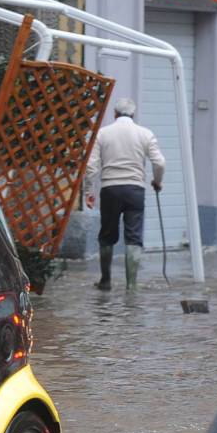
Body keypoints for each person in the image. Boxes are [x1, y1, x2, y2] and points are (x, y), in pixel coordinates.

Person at [84, 97, 165, 290]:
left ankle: (106, 281)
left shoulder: (103, 134)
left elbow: (91, 166)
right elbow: (159, 162)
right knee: (134, 237)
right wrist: (157, 181)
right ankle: (131, 285)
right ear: (133, 114)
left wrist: (89, 191)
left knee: (107, 236)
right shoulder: (145, 134)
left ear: (115, 114)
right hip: (135, 190)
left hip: (110, 189)